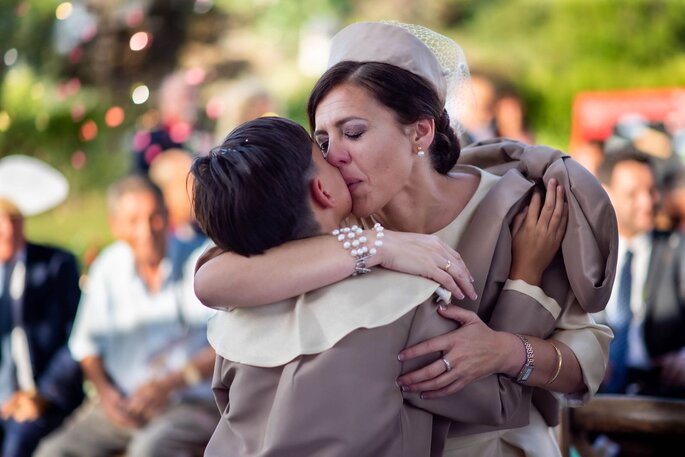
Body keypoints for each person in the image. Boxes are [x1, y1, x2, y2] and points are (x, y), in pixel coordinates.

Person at [194, 21, 616, 456]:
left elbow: (587, 363)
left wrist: (507, 351)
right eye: (323, 140)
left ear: (420, 131)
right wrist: (375, 246)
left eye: (353, 132)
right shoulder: (334, 225)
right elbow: (213, 278)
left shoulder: (524, 209)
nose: (335, 154)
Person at [193, 116, 564, 456]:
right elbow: (498, 402)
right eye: (322, 149)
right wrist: (526, 275)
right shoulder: (402, 303)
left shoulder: (237, 314)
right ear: (323, 191)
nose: (338, 155)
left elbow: (226, 404)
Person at [35, 175, 218, 457]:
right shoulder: (108, 267)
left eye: (154, 217)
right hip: (123, 403)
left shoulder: (202, 259)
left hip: (189, 403)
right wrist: (106, 396)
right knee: (52, 451)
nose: (146, 230)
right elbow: (86, 347)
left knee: (148, 450)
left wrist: (171, 383)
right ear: (115, 226)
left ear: (168, 215)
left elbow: (228, 344)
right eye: (133, 221)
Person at [0, 155, 84, 457]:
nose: (7, 230)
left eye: (14, 219)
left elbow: (76, 339)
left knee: (17, 444)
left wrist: (42, 395)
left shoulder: (55, 266)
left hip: (43, 397)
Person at [595, 147, 685, 397]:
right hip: (593, 396)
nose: (647, 201)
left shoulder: (678, 248)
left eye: (651, 190)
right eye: (633, 194)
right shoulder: (586, 254)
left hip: (662, 395)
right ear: (606, 195)